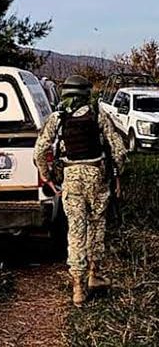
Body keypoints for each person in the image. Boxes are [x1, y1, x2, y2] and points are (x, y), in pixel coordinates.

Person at [34, 75, 126, 307]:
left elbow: (39, 151)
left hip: (71, 177)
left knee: (76, 230)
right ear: (86, 93)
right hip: (97, 177)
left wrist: (46, 177)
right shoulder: (97, 114)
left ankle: (78, 288)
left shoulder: (57, 118)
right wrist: (116, 175)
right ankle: (95, 274)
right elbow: (119, 150)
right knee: (96, 225)